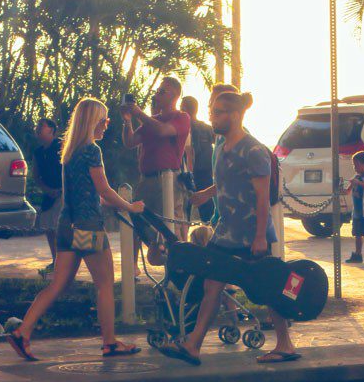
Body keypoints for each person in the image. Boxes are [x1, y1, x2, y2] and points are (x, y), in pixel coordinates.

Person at [161, 91, 299, 366]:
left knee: (269, 287)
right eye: (212, 111)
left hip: (251, 235)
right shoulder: (220, 148)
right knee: (212, 283)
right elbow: (228, 182)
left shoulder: (255, 151)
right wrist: (206, 194)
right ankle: (193, 345)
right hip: (225, 232)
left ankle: (285, 344)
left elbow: (262, 198)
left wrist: (260, 236)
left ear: (234, 116)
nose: (212, 116)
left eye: (218, 112)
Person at [5, 98, 144, 362]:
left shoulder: (70, 151)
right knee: (104, 285)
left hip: (66, 225)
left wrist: (106, 202)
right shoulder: (92, 151)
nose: (107, 124)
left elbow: (87, 192)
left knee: (58, 284)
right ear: (93, 121)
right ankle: (110, 343)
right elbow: (103, 189)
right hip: (88, 226)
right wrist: (129, 206)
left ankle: (23, 331)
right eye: (104, 119)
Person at [121, 78, 190, 237]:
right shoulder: (153, 120)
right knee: (139, 224)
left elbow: (163, 131)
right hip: (146, 179)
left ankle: (174, 260)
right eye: (157, 92)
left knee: (171, 226)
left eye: (161, 92)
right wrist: (127, 121)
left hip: (168, 179)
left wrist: (138, 113)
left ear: (175, 95)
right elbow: (130, 142)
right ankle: (135, 261)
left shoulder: (182, 117)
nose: (156, 96)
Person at [33, 117, 63, 271]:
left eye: (41, 126)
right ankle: (55, 260)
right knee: (49, 228)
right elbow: (36, 176)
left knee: (59, 227)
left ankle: (64, 262)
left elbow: (69, 167)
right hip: (49, 194)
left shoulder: (61, 146)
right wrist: (47, 190)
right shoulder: (37, 152)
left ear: (51, 130)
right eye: (37, 126)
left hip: (64, 193)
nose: (38, 128)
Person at [180, 96, 215, 223]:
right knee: (184, 212)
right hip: (186, 175)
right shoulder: (181, 128)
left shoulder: (206, 128)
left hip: (203, 174)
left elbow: (220, 143)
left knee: (206, 212)